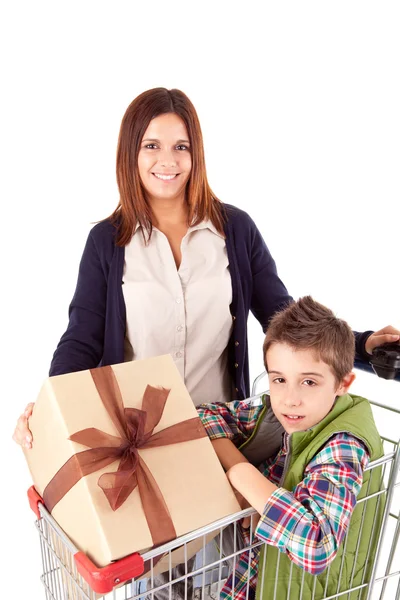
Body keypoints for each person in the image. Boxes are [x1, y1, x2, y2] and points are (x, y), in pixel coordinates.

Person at [12, 88, 399, 598]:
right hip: (140, 447)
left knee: (215, 578)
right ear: (131, 154)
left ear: (197, 152)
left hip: (217, 443)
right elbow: (81, 340)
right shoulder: (107, 243)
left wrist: (364, 343)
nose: (167, 161)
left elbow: (285, 322)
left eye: (181, 146)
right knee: (148, 582)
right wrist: (48, 416)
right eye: (151, 146)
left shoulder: (233, 230)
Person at [197, 296, 384, 600]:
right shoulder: (273, 410)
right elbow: (204, 414)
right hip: (256, 572)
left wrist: (244, 477)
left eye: (309, 382)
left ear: (342, 384)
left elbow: (318, 545)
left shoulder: (343, 447)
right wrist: (237, 467)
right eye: (279, 379)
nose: (289, 398)